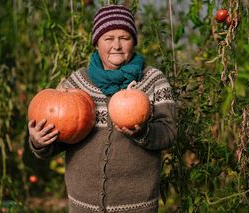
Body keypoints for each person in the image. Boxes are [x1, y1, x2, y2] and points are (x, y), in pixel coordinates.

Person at [28, 4, 177, 213]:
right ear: (96, 43)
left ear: (134, 41)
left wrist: (144, 132)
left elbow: (168, 134)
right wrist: (39, 141)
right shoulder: (76, 83)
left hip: (136, 206)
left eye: (124, 38)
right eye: (108, 38)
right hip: (82, 205)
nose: (116, 45)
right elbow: (63, 136)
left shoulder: (153, 80)